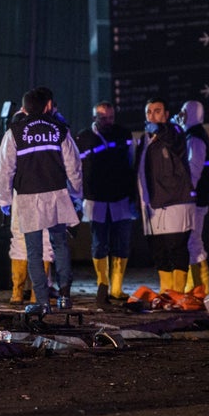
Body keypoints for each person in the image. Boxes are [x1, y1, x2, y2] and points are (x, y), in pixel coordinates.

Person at [0, 87, 83, 314]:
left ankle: (42, 302)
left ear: (24, 109)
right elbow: (74, 166)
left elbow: (5, 170)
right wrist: (76, 195)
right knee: (60, 245)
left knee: (34, 251)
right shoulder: (60, 129)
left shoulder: (14, 132)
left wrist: (4, 199)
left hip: (28, 198)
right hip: (56, 195)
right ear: (47, 106)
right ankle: (64, 296)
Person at [74, 101, 136, 305]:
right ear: (94, 118)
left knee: (122, 242)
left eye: (111, 117)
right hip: (95, 198)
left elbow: (131, 161)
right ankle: (103, 284)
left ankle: (117, 288)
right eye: (103, 118)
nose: (108, 122)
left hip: (121, 197)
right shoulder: (83, 138)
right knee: (99, 243)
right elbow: (77, 168)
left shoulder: (123, 134)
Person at [136, 97, 195, 294]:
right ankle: (166, 293)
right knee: (159, 250)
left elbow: (172, 138)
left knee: (176, 248)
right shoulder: (143, 140)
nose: (153, 115)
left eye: (157, 111)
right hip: (152, 204)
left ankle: (177, 294)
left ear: (167, 114)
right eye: (149, 112)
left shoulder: (174, 132)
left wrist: (159, 129)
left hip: (174, 201)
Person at [174, 100, 209, 295]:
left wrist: (187, 193)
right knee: (192, 242)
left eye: (183, 112)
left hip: (195, 200)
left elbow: (194, 170)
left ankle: (200, 289)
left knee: (193, 243)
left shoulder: (195, 138)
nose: (180, 116)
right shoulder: (194, 135)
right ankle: (195, 287)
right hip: (196, 198)